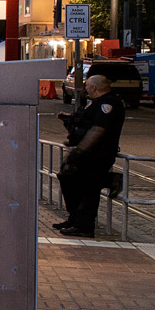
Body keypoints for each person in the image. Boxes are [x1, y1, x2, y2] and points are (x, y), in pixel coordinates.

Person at [55, 69, 126, 237]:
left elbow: (97, 130)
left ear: (94, 88)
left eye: (87, 86)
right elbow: (86, 123)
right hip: (85, 153)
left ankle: (84, 225)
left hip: (95, 154)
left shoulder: (107, 104)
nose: (85, 88)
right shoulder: (94, 102)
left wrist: (80, 151)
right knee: (67, 178)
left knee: (89, 188)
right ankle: (74, 219)